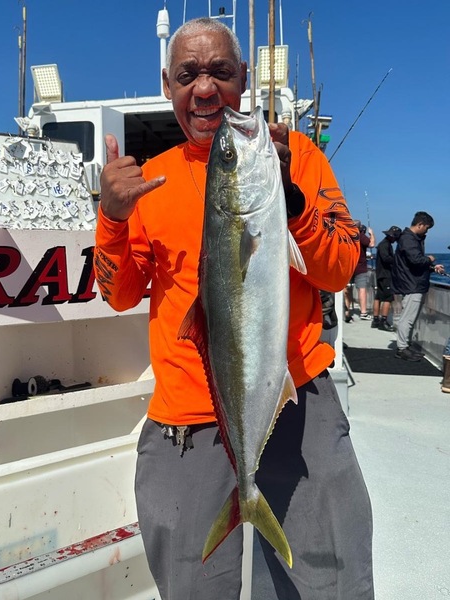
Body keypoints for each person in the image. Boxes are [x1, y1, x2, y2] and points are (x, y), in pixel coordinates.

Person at [94, 18, 373, 600]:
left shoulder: (294, 155)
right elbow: (117, 293)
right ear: (168, 84)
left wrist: (290, 200)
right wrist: (113, 219)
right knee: (191, 588)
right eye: (188, 75)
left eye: (220, 72)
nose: (205, 89)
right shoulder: (149, 182)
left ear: (243, 78)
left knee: (330, 584)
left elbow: (341, 266)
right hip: (185, 422)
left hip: (297, 399)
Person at [392, 211, 445, 361]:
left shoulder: (410, 239)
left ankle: (405, 345)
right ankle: (402, 348)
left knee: (410, 317)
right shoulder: (408, 239)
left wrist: (432, 267)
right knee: (407, 318)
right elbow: (416, 260)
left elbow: (413, 263)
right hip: (412, 285)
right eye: (427, 228)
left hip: (414, 282)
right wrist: (430, 259)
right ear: (420, 225)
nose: (427, 231)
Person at [371, 225, 401, 331]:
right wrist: (397, 260)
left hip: (380, 274)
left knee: (378, 297)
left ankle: (375, 320)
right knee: (388, 298)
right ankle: (383, 322)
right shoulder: (385, 245)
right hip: (385, 275)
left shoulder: (383, 244)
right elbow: (386, 258)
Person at [347, 221, 375, 321]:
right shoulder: (360, 235)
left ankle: (347, 311)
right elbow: (371, 244)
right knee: (362, 289)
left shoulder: (346, 235)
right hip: (360, 267)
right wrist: (371, 234)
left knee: (347, 289)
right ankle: (363, 313)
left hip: (347, 267)